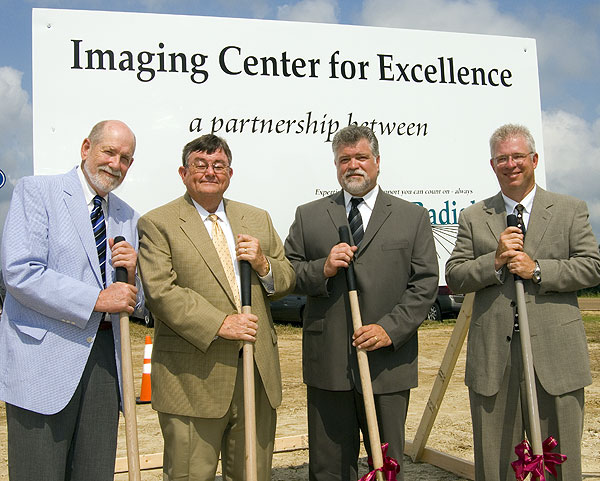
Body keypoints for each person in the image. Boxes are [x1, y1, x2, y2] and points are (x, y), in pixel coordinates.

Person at [446, 123, 600, 481]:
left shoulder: (569, 209)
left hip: (556, 358)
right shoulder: (473, 217)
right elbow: (455, 275)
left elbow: (592, 267)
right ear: (492, 164)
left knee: (560, 463)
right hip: (494, 363)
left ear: (533, 159)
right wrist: (495, 260)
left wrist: (538, 269)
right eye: (502, 158)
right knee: (496, 464)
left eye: (517, 156)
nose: (510, 164)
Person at [137, 134, 295, 481]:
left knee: (252, 474)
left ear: (230, 173)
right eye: (201, 164)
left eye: (218, 165)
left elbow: (286, 278)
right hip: (193, 377)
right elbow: (161, 292)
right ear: (183, 172)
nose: (210, 172)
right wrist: (222, 323)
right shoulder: (158, 223)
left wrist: (263, 264)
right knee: (191, 474)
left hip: (256, 372)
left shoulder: (257, 218)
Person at [284, 125, 439, 481]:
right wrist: (321, 268)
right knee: (329, 468)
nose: (353, 165)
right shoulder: (309, 215)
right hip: (329, 364)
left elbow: (424, 283)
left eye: (361, 157)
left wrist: (389, 329)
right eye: (344, 159)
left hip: (388, 363)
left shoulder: (411, 217)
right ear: (336, 166)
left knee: (386, 466)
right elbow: (289, 273)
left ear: (378, 162)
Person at [0, 120, 142, 481]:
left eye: (125, 158)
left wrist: (135, 279)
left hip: (105, 365)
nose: (116, 164)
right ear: (85, 149)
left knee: (94, 473)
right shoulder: (37, 192)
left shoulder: (128, 217)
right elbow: (20, 272)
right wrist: (97, 298)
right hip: (43, 362)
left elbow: (134, 303)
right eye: (109, 152)